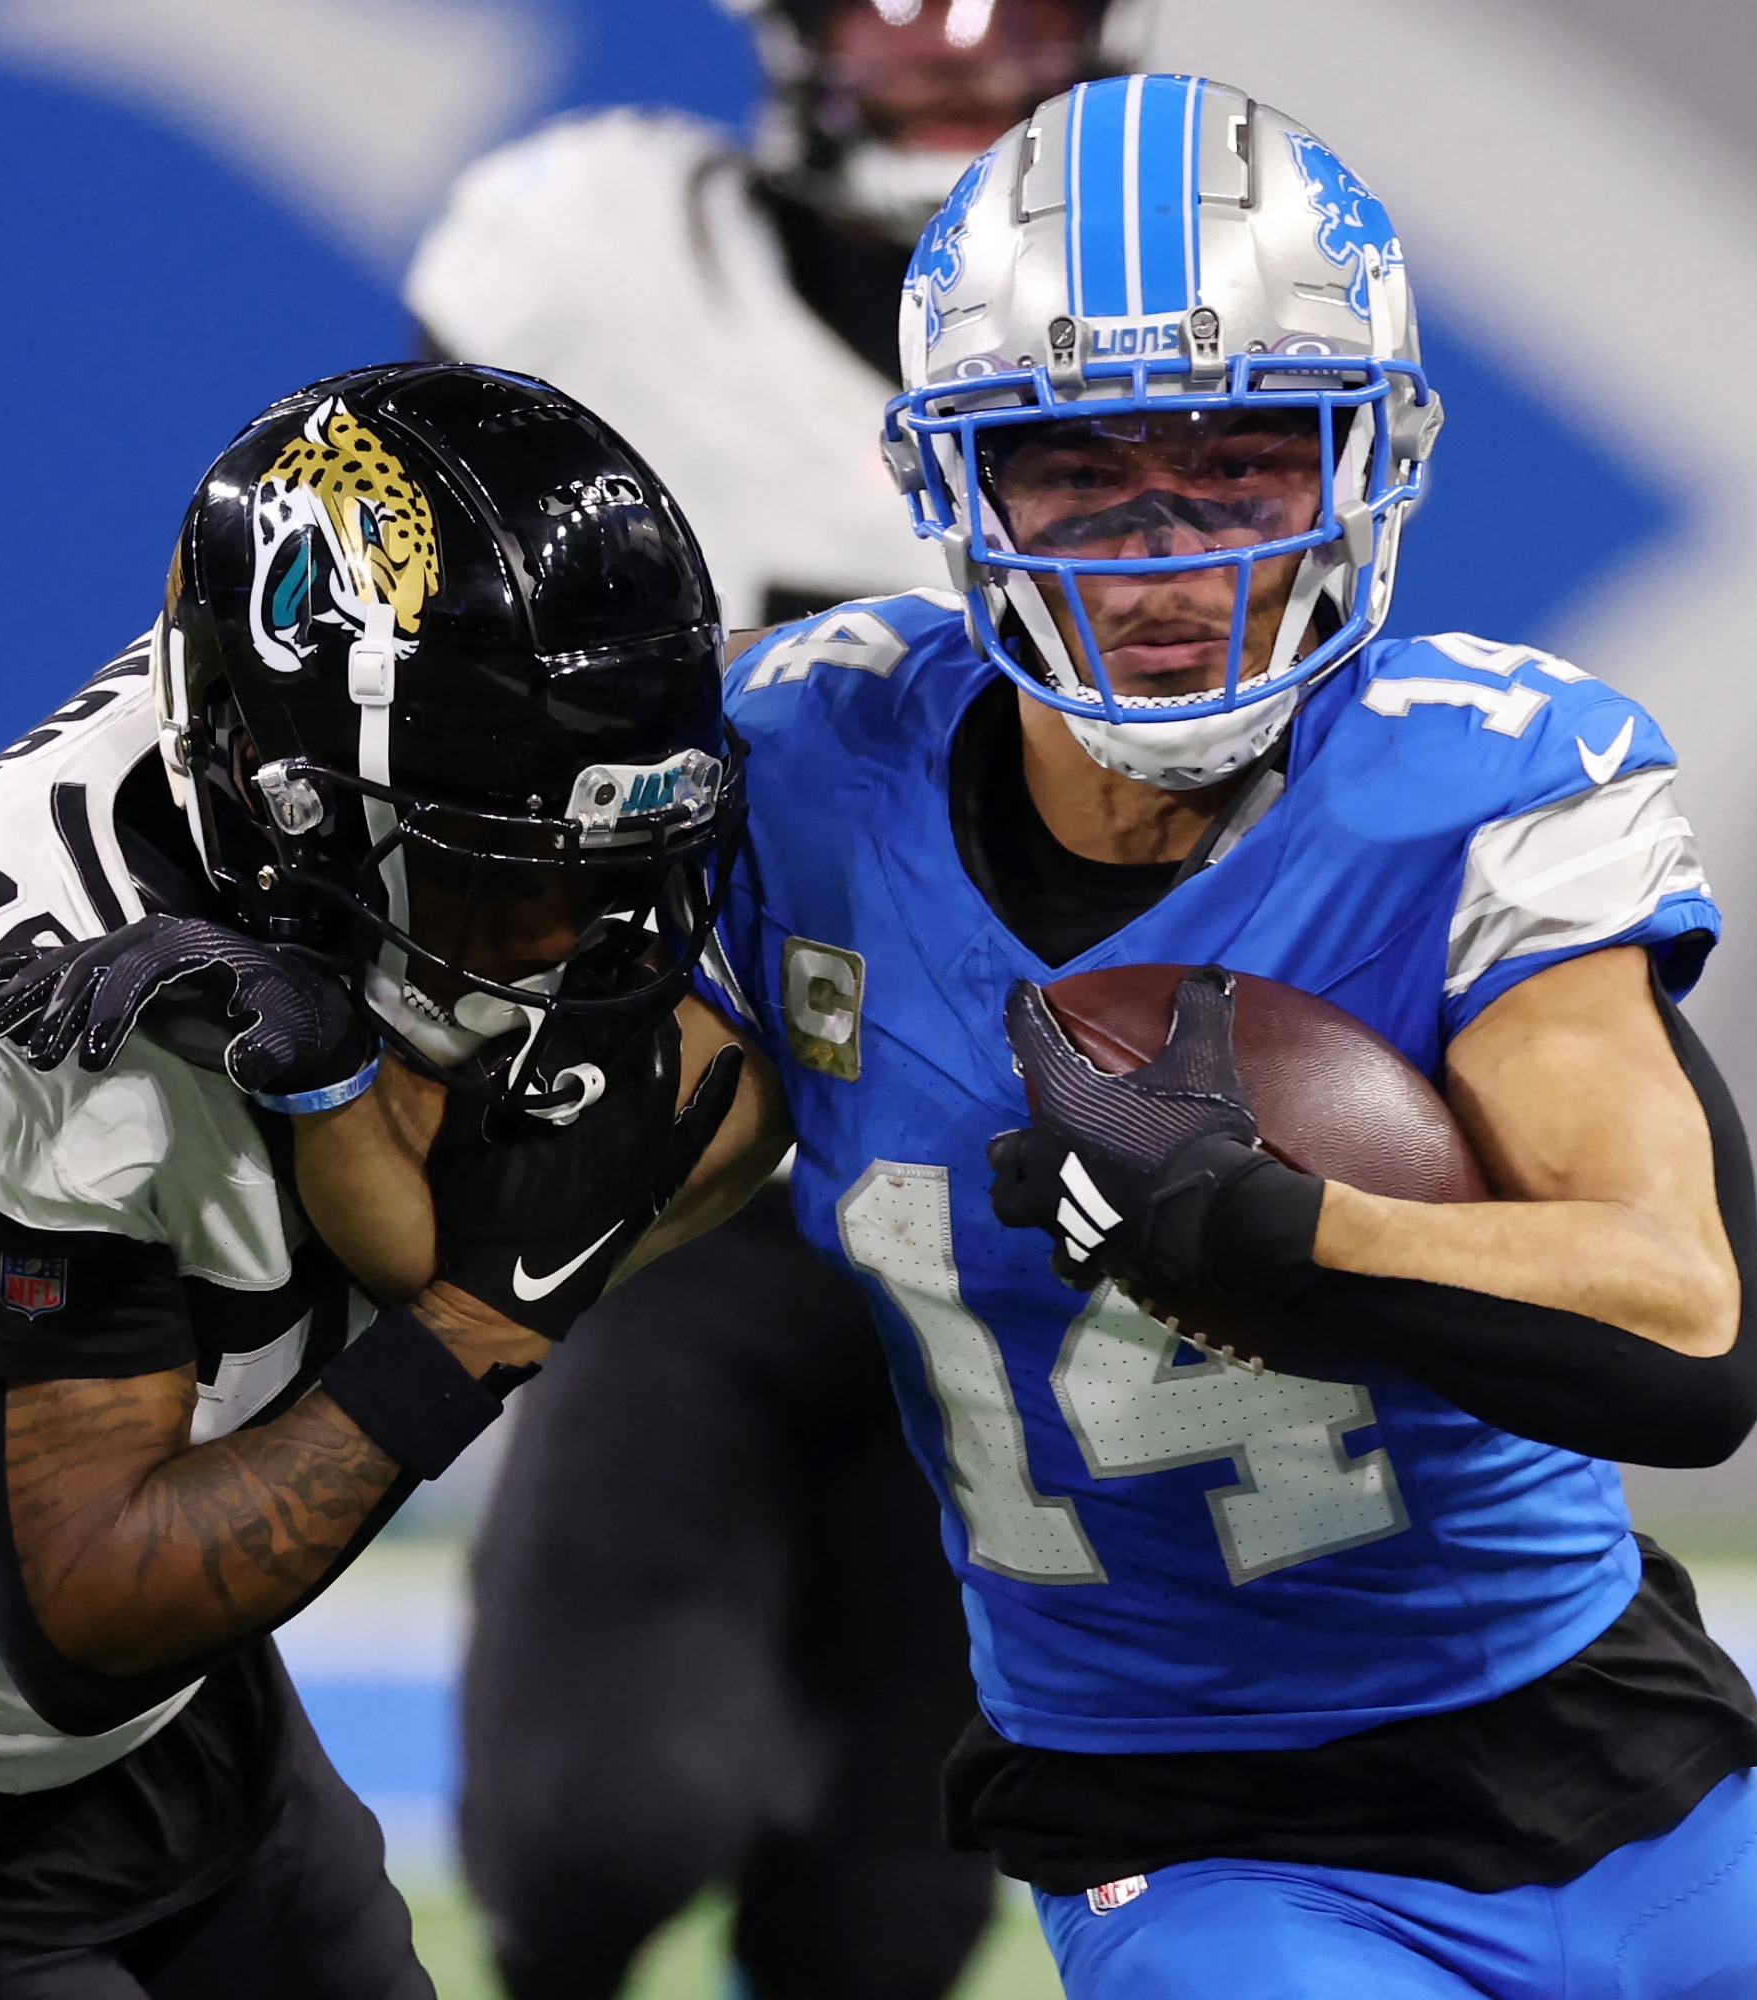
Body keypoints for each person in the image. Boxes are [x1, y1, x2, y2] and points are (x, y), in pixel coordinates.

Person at [703, 74, 1757, 1999]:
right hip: (1185, 1815)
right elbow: (545, 1201)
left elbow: (1683, 1328)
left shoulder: (1470, 791)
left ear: (1363, 458)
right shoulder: (805, 767)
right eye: (1076, 462)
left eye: (1240, 456)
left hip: (1604, 1749)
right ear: (951, 483)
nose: (1161, 544)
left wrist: (1283, 1231)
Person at [0, 362, 773, 2000]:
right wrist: (478, 1332)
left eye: (605, 874)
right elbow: (87, 1621)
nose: (572, 949)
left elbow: (729, 1096)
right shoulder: (4, 1016)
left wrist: (377, 1118)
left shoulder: (363, 777)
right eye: (504, 878)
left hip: (195, 1751)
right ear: (296, 813)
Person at [406, 10, 1140, 1999]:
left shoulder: (1183, 289)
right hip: (696, 1160)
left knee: (889, 1918)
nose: (958, 47)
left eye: (1014, 9)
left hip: (997, 1193)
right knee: (595, 1829)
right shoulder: (594, 259)